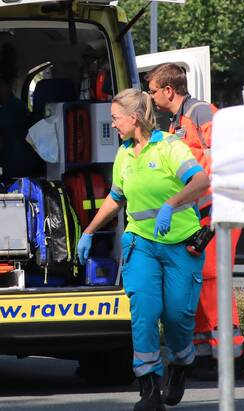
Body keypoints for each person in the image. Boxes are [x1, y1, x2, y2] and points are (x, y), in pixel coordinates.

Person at [76, 88, 210, 410]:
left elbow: (201, 181)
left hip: (180, 243)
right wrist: (89, 231)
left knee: (178, 316)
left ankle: (180, 364)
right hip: (141, 244)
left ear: (133, 118)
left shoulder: (168, 147)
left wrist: (171, 204)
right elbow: (116, 197)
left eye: (115, 118)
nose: (113, 125)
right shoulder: (124, 154)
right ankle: (148, 388)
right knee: (144, 313)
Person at [146, 63, 244, 375]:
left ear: (168, 90)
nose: (150, 97)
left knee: (213, 279)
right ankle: (204, 355)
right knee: (199, 280)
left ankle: (227, 355)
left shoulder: (200, 112)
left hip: (217, 209)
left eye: (152, 91)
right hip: (200, 212)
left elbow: (224, 155)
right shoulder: (175, 121)